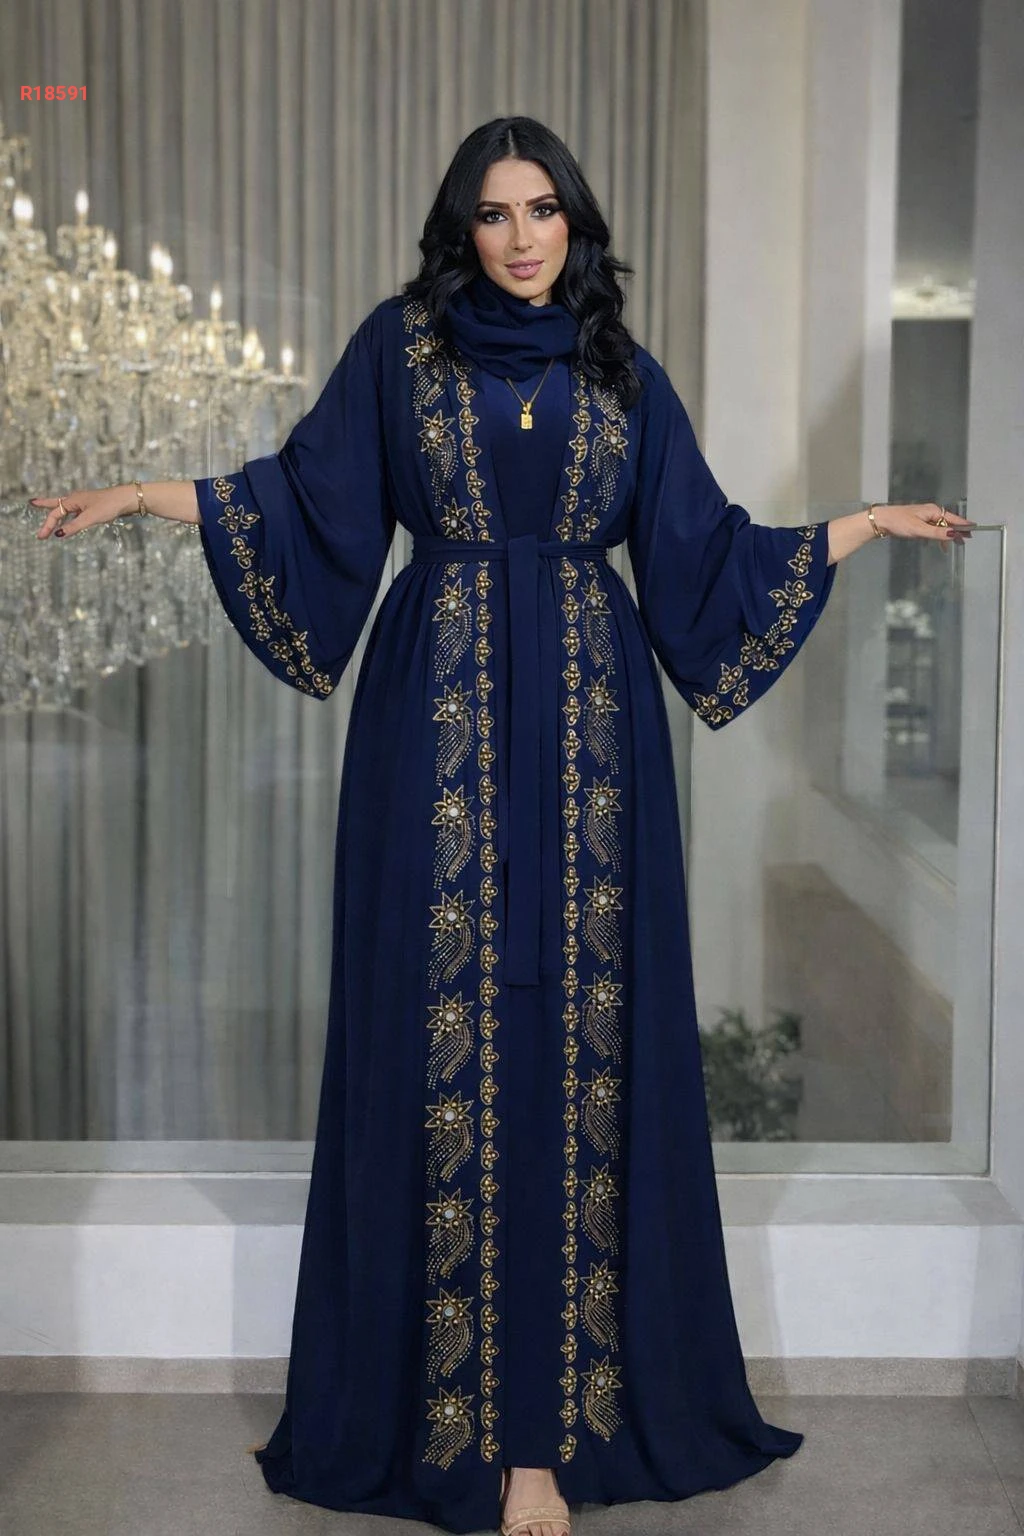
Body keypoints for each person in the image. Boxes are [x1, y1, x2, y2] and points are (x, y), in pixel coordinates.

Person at [32, 115, 973, 1536]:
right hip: (435, 726)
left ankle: (552, 1436)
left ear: (575, 223)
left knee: (581, 1036)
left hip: (594, 737)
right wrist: (147, 498)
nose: (522, 238)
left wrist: (861, 526)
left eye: (543, 210)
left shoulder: (622, 373)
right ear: (459, 228)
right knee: (440, 1027)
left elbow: (705, 555)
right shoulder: (399, 354)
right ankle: (445, 1422)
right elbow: (302, 499)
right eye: (494, 213)